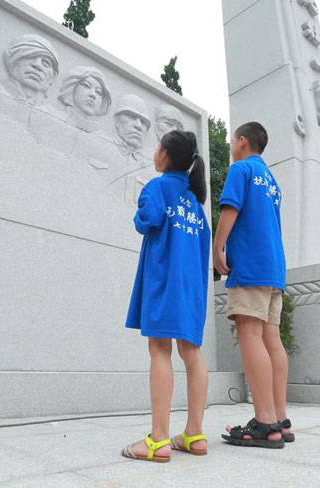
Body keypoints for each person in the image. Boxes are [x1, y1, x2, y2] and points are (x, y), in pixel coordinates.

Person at [121, 130, 211, 463]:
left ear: (166, 155)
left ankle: (158, 440)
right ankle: (195, 434)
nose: (154, 151)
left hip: (163, 282)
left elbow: (147, 221)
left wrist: (139, 206)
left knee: (159, 350)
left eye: (158, 146)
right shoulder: (195, 203)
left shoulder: (157, 188)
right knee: (192, 353)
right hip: (190, 288)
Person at [213, 121, 290, 449]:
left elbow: (231, 208)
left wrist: (218, 247)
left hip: (251, 266)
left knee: (251, 336)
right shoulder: (272, 182)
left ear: (242, 141)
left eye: (232, 139)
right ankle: (280, 420)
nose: (231, 144)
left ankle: (264, 422)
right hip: (275, 270)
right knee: (272, 338)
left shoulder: (240, 169)